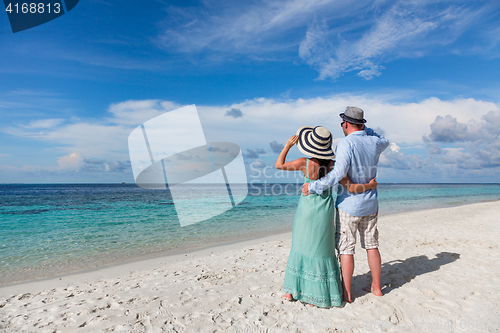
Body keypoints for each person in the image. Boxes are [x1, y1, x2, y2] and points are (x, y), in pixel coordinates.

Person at [276, 126, 377, 308]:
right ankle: (315, 295)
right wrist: (369, 186)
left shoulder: (304, 163)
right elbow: (351, 187)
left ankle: (290, 290)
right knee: (320, 249)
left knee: (300, 245)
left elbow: (279, 165)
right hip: (325, 212)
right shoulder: (333, 166)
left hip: (305, 211)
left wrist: (287, 146)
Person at [302, 107, 389, 303]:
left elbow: (338, 174)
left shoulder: (345, 143)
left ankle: (347, 293)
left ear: (346, 124)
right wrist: (367, 130)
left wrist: (314, 186)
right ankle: (376, 287)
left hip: (349, 206)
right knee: (372, 246)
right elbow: (385, 139)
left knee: (346, 249)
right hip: (370, 204)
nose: (342, 126)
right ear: (363, 124)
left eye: (343, 123)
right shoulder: (375, 142)